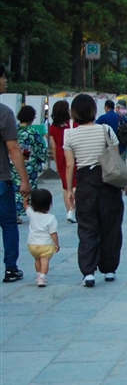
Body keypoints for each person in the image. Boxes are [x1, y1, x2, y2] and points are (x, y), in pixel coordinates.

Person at [64, 94, 126, 287]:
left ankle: (88, 272)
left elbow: (69, 165)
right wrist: (122, 182)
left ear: (74, 112)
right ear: (93, 110)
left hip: (85, 183)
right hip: (108, 183)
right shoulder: (106, 130)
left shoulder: (70, 135)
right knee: (111, 227)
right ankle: (109, 268)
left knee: (87, 227)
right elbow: (115, 159)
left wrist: (69, 189)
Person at [0, 65, 32, 282]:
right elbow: (13, 148)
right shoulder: (4, 113)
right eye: (3, 78)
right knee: (9, 223)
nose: (6, 82)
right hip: (1, 178)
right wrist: (24, 179)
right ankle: (11, 268)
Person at [12, 105, 48, 221]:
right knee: (29, 189)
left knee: (15, 189)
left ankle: (15, 214)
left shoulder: (14, 130)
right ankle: (29, 210)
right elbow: (39, 148)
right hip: (29, 165)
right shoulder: (33, 132)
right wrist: (42, 159)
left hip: (13, 164)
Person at [47, 99, 76, 223]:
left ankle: (69, 210)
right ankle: (74, 209)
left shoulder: (52, 127)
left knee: (65, 185)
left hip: (60, 155)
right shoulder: (73, 124)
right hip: (72, 154)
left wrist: (56, 160)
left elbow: (53, 146)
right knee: (75, 183)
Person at [24, 188, 59, 287]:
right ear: (49, 204)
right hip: (45, 244)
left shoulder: (31, 213)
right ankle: (42, 278)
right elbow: (53, 233)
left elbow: (25, 205)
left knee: (37, 259)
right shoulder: (51, 218)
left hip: (32, 244)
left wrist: (26, 197)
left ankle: (38, 274)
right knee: (44, 260)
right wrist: (56, 244)